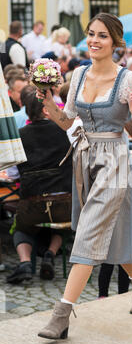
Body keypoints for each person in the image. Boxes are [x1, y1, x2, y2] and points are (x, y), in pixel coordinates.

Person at [36, 12, 132, 341]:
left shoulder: (129, 80)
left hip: (116, 161)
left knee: (90, 230)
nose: (94, 40)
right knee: (112, 229)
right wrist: (49, 102)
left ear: (116, 43)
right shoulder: (78, 74)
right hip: (85, 159)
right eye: (91, 34)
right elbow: (68, 122)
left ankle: (61, 314)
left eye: (102, 35)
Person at [6, 89, 72, 284]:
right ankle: (51, 253)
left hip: (32, 204)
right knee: (64, 225)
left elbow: (12, 174)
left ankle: (25, 263)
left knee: (20, 227)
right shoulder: (65, 132)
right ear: (46, 110)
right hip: (64, 205)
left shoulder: (19, 136)